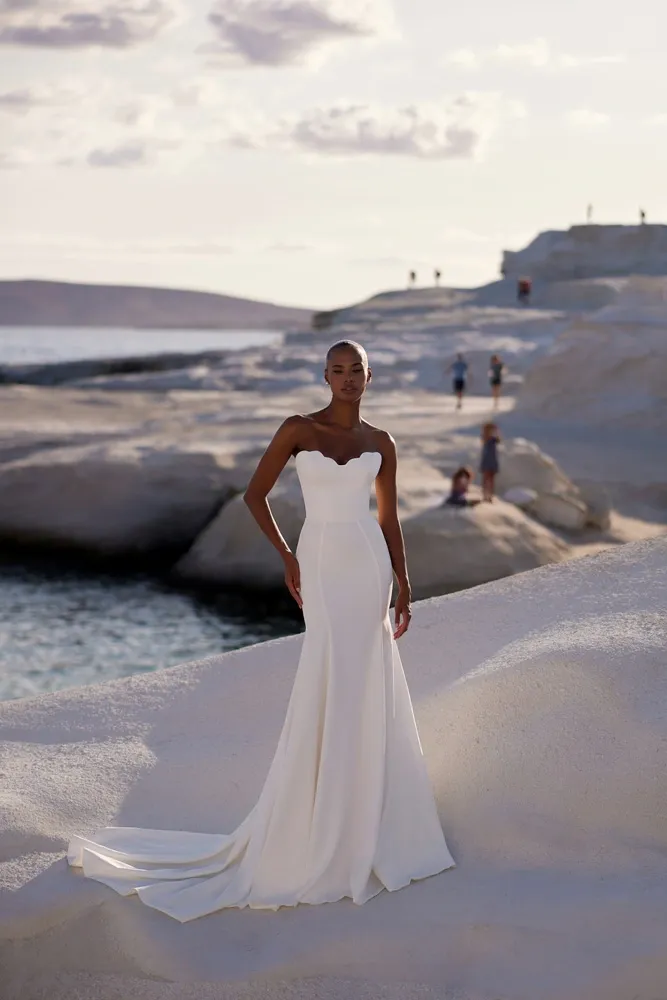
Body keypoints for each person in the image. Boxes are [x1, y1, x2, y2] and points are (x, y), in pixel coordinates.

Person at [67, 340, 455, 921]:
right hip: (321, 561)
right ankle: (319, 823)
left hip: (368, 563)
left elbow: (388, 517)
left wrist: (403, 581)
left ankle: (368, 820)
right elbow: (255, 495)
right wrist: (287, 558)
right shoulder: (298, 429)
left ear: (369, 376)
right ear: (325, 375)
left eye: (357, 371)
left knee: (369, 677)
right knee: (329, 674)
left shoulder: (382, 442)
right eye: (338, 370)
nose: (347, 379)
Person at [480, 423, 500, 501]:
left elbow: (498, 440)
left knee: (491, 478)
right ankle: (485, 495)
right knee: (486, 478)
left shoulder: (493, 438)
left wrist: (496, 431)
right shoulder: (486, 438)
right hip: (487, 459)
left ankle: (490, 495)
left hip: (492, 459)